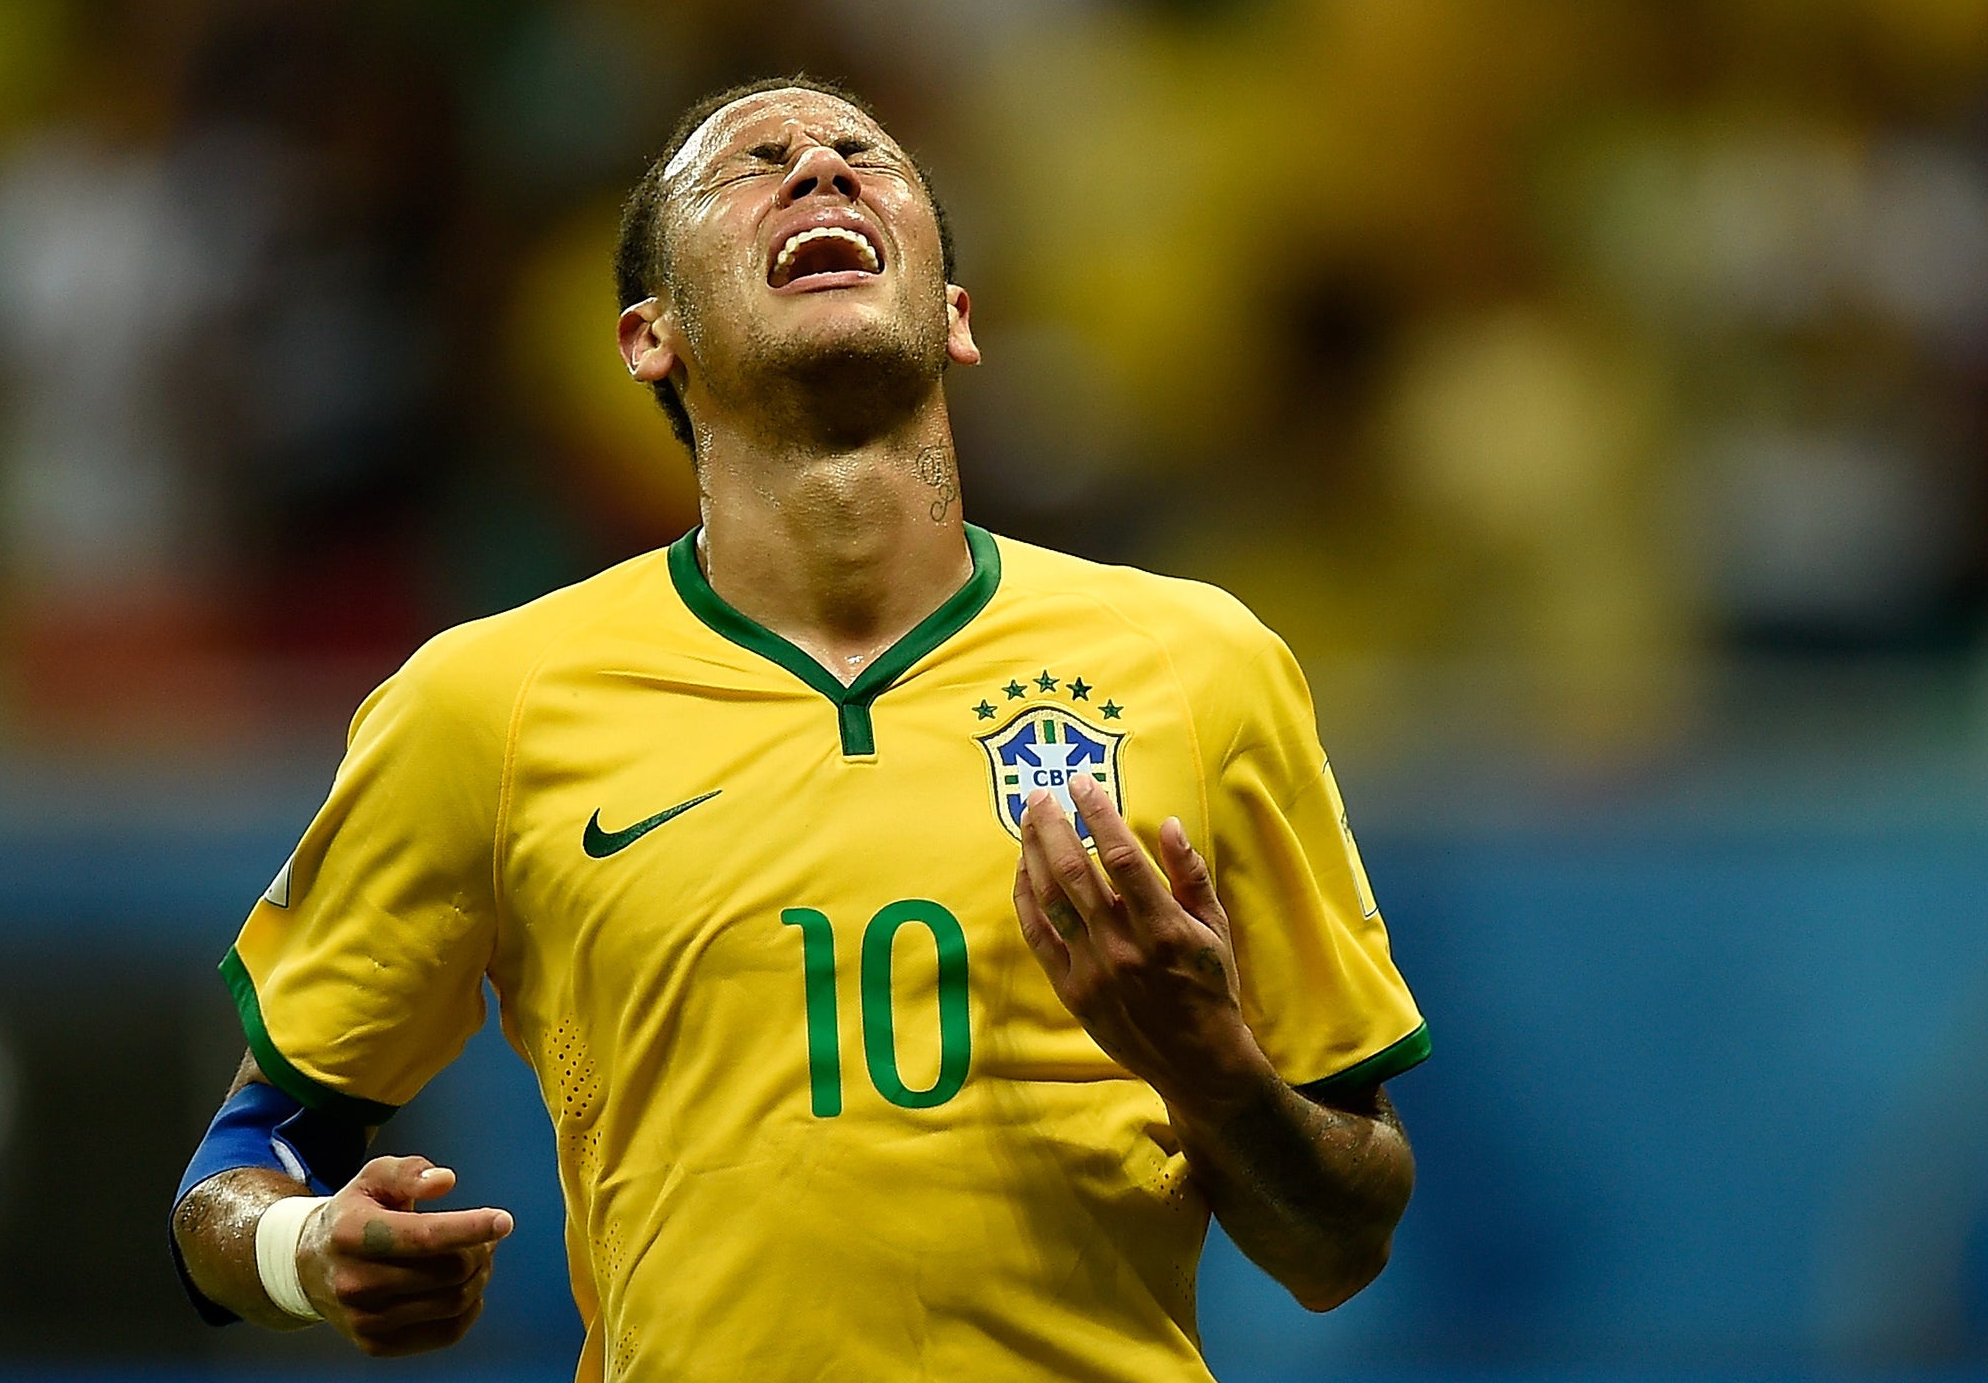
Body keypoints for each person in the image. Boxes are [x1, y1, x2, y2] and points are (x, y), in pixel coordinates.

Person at [170, 76, 1430, 1382]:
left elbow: (1343, 1241)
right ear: (649, 337)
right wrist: (304, 1247)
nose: (821, 170)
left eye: (863, 156)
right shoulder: (486, 703)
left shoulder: (1199, 664)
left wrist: (1211, 1067)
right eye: (750, 166)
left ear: (956, 318)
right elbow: (237, 1173)